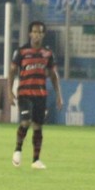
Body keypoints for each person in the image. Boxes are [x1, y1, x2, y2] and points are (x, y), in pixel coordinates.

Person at [8, 21, 63, 169]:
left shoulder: (48, 53)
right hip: (24, 93)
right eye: (34, 32)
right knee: (26, 121)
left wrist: (59, 95)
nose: (37, 35)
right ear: (30, 34)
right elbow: (12, 71)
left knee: (38, 126)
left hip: (40, 94)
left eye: (40, 32)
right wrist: (9, 91)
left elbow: (53, 75)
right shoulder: (21, 52)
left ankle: (36, 160)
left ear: (43, 34)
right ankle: (18, 150)